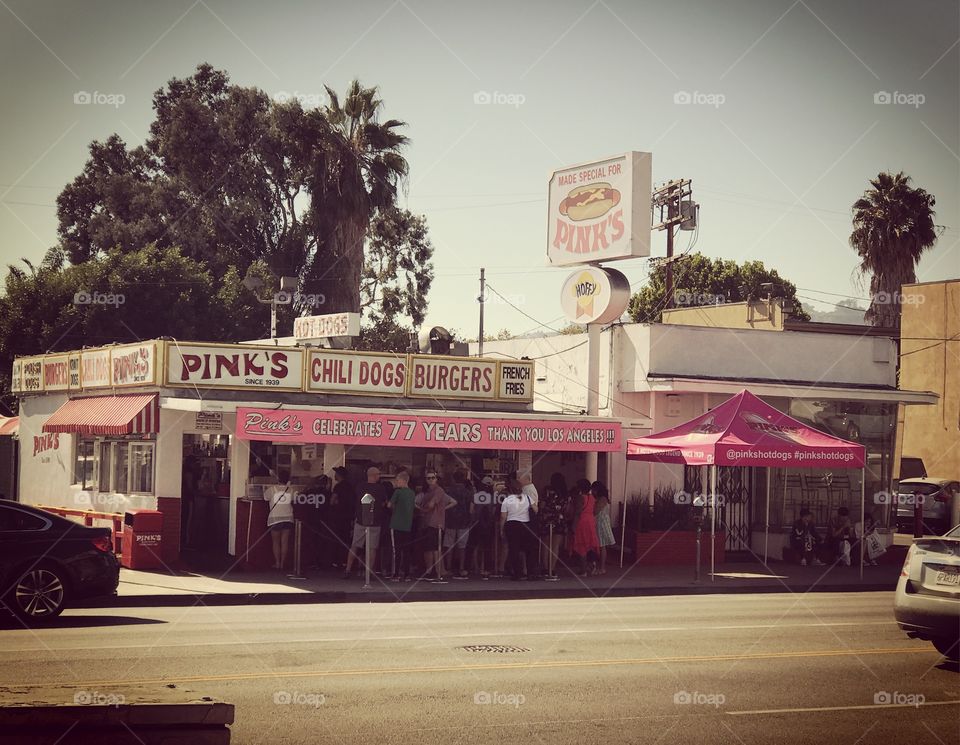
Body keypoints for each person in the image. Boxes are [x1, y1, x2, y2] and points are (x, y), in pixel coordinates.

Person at [344, 466, 390, 578]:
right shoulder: (381, 489)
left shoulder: (359, 487)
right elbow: (385, 503)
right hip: (375, 521)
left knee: (355, 546)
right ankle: (369, 573)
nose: (379, 476)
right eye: (378, 474)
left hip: (360, 520)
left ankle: (348, 569)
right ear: (374, 475)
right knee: (372, 548)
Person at [418, 471, 456, 581]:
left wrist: (424, 510)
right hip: (429, 522)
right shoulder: (428, 491)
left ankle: (433, 571)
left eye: (432, 478)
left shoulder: (438, 490)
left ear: (436, 479)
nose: (430, 480)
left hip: (434, 523)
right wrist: (442, 509)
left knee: (433, 548)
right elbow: (453, 502)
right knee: (430, 548)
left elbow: (431, 504)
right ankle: (435, 570)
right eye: (428, 478)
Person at [499, 478, 538, 580]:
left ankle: (517, 573)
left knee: (514, 550)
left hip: (512, 525)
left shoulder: (507, 500)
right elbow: (536, 509)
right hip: (526, 525)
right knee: (529, 550)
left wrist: (501, 529)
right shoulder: (528, 498)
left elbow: (503, 517)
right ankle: (530, 572)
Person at [537, 473, 570, 579]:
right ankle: (552, 568)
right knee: (555, 546)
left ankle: (545, 568)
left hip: (547, 519)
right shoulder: (565, 493)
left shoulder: (547, 491)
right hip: (559, 520)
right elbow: (567, 509)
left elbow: (541, 505)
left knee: (545, 545)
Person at [386, 470, 417, 581]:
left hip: (396, 524)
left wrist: (392, 506)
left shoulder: (397, 492)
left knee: (396, 550)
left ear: (403, 480)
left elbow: (389, 505)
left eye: (398, 480)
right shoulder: (412, 493)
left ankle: (396, 574)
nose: (396, 482)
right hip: (407, 525)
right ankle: (407, 574)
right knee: (406, 550)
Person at [444, 470, 475, 579]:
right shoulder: (469, 492)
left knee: (449, 545)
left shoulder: (448, 491)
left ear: (453, 478)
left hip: (450, 521)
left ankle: (448, 567)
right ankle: (461, 568)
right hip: (464, 522)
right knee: (462, 546)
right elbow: (471, 509)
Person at [264, 469, 294, 571]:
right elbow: (296, 498)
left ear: (278, 479)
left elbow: (265, 497)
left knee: (276, 542)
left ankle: (277, 563)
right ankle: (282, 563)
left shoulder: (272, 489)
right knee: (285, 542)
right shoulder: (290, 489)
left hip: (275, 518)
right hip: (288, 518)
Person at [469, 476, 497, 579]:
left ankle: (474, 567)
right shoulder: (494, 497)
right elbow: (494, 511)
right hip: (488, 525)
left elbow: (471, 510)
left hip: (476, 523)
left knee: (474, 546)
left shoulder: (476, 495)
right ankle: (486, 570)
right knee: (487, 548)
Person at [571, 478, 599, 575]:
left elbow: (578, 512)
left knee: (581, 545)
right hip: (590, 521)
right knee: (590, 545)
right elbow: (594, 511)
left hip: (582, 522)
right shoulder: (592, 498)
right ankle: (591, 564)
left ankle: (583, 570)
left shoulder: (580, 497)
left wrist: (573, 526)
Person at [330, 467, 355, 568]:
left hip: (337, 517)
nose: (334, 475)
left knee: (336, 539)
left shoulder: (338, 486)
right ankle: (345, 560)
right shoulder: (350, 486)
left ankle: (337, 561)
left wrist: (336, 502)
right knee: (346, 539)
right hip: (348, 517)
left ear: (339, 475)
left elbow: (332, 501)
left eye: (336, 473)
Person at [593, 481, 615, 575]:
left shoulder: (602, 499)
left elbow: (596, 510)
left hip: (601, 523)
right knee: (600, 546)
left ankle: (602, 568)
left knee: (602, 546)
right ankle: (599, 566)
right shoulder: (601, 498)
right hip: (599, 522)